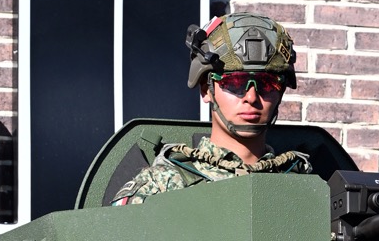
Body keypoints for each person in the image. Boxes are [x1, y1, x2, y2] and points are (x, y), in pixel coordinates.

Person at [111, 12, 313, 205]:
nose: (251, 97)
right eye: (234, 83)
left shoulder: (307, 186)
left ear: (281, 92)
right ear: (206, 90)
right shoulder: (160, 186)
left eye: (267, 84)